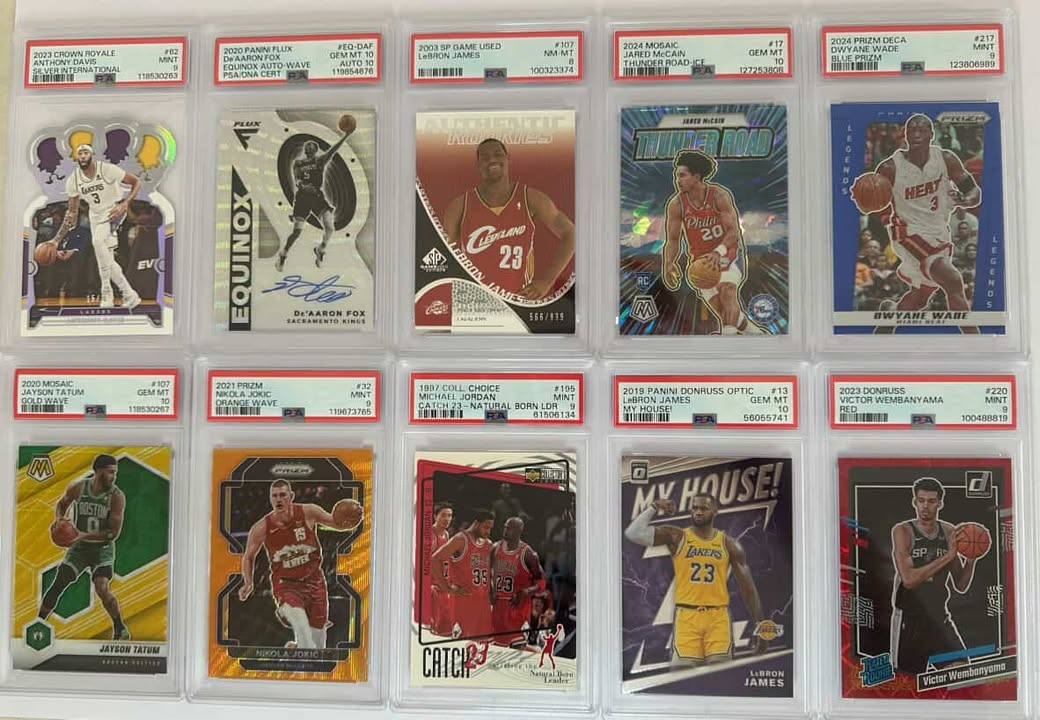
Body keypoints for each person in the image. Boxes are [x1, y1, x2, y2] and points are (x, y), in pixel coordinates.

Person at [853, 114, 981, 333]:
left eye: (922, 130)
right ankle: (977, 343)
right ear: (906, 135)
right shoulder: (891, 167)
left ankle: (890, 316)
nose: (917, 134)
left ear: (932, 134)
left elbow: (974, 192)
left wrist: (966, 200)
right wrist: (867, 200)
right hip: (908, 233)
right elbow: (871, 204)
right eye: (912, 130)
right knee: (952, 280)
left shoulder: (946, 159)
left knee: (921, 295)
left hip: (938, 231)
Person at [625, 494, 767, 664]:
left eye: (704, 508)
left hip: (718, 617)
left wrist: (761, 625)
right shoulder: (677, 536)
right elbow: (633, 533)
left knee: (721, 672)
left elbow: (748, 588)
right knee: (682, 673)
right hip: (687, 616)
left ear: (715, 511)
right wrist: (655, 506)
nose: (698, 512)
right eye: (695, 508)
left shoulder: (729, 544)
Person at [441, 138, 575, 301]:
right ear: (478, 165)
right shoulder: (459, 206)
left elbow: (571, 233)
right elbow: (446, 258)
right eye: (485, 157)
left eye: (498, 154)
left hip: (518, 301)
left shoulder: (531, 198)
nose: (492, 160)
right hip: (474, 302)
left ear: (507, 158)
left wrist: (547, 281)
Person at [238, 480, 362, 650]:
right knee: (301, 626)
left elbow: (335, 523)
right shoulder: (261, 527)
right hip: (286, 585)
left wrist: (349, 519)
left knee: (318, 645)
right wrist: (248, 582)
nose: (278, 499)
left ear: (291, 496)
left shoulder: (308, 512)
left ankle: (296, 648)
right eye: (274, 496)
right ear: (270, 499)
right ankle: (287, 615)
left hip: (315, 583)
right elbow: (248, 556)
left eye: (282, 495)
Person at [662, 150, 766, 335]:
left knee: (727, 291)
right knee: (723, 310)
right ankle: (756, 334)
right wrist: (669, 262)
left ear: (696, 177)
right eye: (676, 176)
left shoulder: (718, 196)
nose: (677, 180)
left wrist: (718, 252)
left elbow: (733, 232)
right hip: (701, 260)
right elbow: (673, 239)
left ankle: (727, 338)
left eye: (682, 175)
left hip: (727, 253)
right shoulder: (677, 204)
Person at [890, 477, 986, 674]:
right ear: (914, 502)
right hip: (910, 620)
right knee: (909, 683)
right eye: (921, 500)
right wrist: (949, 556)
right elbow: (909, 580)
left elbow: (960, 585)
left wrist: (971, 559)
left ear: (940, 503)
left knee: (960, 673)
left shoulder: (949, 532)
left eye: (931, 501)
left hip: (939, 618)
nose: (925, 506)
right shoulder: (903, 531)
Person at [39, 454, 129, 640]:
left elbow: (113, 533)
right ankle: (38, 624)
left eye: (115, 473)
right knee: (59, 583)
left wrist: (82, 535)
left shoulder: (116, 497)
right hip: (79, 549)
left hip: (102, 550)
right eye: (110, 472)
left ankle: (119, 627)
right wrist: (60, 520)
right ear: (98, 471)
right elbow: (62, 504)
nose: (114, 477)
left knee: (102, 588)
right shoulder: (79, 488)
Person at [45, 144, 142, 310]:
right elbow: (72, 213)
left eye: (85, 152)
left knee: (97, 241)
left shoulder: (107, 169)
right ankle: (129, 295)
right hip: (95, 215)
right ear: (77, 157)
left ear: (92, 155)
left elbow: (137, 182)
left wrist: (125, 204)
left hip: (114, 210)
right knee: (106, 258)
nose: (83, 156)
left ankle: (107, 292)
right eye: (80, 153)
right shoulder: (74, 180)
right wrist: (56, 240)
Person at [276, 130, 352, 271]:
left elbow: (333, 150)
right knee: (296, 233)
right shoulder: (298, 163)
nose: (309, 147)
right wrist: (302, 185)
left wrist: (346, 136)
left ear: (316, 150)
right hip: (302, 199)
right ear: (305, 149)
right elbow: (297, 179)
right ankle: (283, 253)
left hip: (317, 197)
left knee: (330, 228)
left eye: (312, 145)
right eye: (307, 145)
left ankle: (320, 249)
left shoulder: (320, 161)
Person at [431, 509, 495, 639]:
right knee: (462, 644)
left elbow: (489, 572)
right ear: (476, 523)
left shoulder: (488, 544)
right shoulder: (461, 539)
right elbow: (434, 560)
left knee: (483, 646)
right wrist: (447, 588)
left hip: (482, 603)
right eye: (486, 527)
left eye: (490, 528)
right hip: (463, 602)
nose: (488, 531)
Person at [490, 517, 544, 646]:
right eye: (505, 527)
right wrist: (490, 589)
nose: (505, 530)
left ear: (519, 531)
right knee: (497, 651)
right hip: (498, 611)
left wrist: (526, 592)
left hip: (518, 611)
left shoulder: (528, 554)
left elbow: (541, 583)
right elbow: (487, 573)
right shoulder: (495, 548)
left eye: (509, 528)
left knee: (516, 650)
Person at [427, 503, 454, 635]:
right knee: (434, 627)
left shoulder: (446, 534)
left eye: (449, 515)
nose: (447, 519)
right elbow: (425, 563)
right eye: (443, 515)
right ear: (434, 516)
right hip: (434, 586)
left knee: (446, 628)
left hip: (444, 584)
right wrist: (428, 585)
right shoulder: (430, 535)